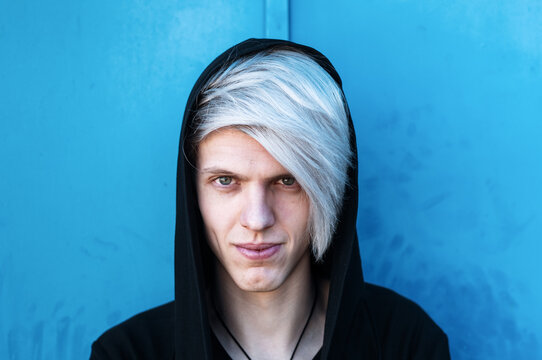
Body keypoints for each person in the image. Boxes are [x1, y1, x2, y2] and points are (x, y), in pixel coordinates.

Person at [90, 38, 450, 359]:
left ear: (329, 190)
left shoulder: (406, 343)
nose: (258, 219)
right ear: (192, 193)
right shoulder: (127, 353)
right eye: (226, 180)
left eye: (287, 180)